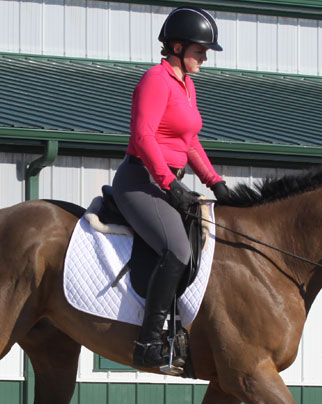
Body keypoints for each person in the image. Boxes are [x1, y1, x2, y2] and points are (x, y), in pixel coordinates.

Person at [111, 6, 232, 372]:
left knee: (201, 240)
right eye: (200, 50)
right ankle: (148, 343)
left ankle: (183, 331)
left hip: (167, 182)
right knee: (177, 249)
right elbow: (143, 136)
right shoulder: (155, 80)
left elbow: (191, 142)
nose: (205, 57)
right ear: (176, 47)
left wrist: (216, 182)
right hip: (140, 182)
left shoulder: (187, 85)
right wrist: (169, 184)